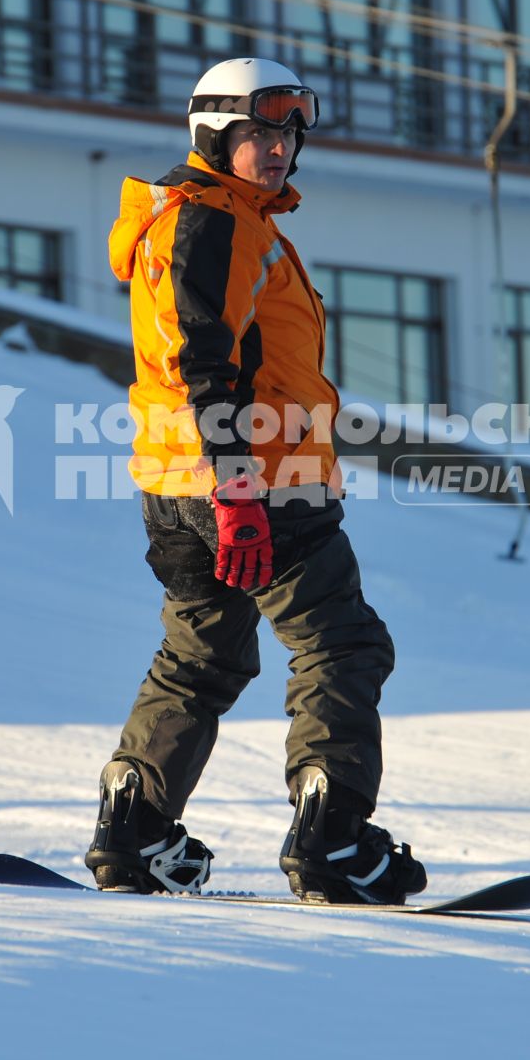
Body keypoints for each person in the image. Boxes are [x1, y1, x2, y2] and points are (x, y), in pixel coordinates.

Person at [88, 58, 428, 905]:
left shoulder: (201, 220)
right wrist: (239, 489)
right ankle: (333, 841)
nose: (277, 150)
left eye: (287, 134)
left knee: (203, 655)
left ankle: (134, 830)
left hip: (178, 485)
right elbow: (202, 365)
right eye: (258, 135)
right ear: (214, 136)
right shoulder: (216, 224)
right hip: (258, 484)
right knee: (341, 646)